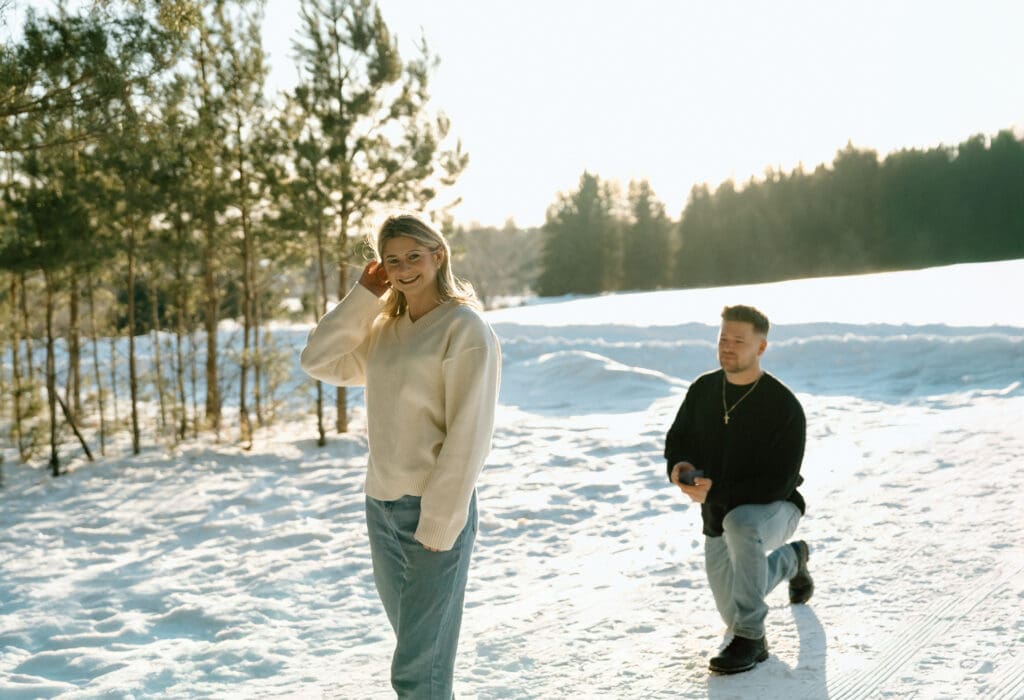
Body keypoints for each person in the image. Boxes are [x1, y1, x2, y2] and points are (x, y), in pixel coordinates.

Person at [300, 213, 501, 698]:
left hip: (434, 510)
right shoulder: (386, 329)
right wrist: (364, 295)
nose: (405, 268)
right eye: (393, 261)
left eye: (414, 256)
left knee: (416, 670)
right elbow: (318, 359)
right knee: (420, 659)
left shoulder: (464, 328)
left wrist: (440, 521)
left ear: (438, 255)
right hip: (382, 508)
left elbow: (469, 435)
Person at [664, 304, 813, 675]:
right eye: (723, 339)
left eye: (738, 341)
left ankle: (752, 638)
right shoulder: (703, 389)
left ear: (760, 348)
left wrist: (716, 493)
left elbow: (778, 482)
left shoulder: (783, 406)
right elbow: (679, 439)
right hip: (717, 515)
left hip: (776, 509)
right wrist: (680, 467)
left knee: (741, 523)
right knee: (733, 611)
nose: (727, 347)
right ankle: (792, 560)